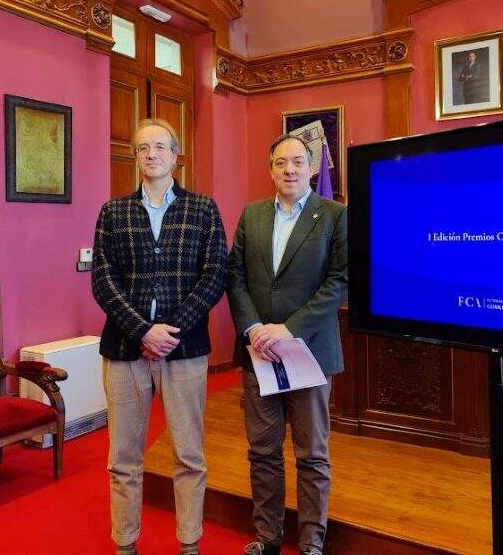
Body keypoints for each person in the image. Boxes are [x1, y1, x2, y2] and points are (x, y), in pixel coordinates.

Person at [92, 118, 227, 555]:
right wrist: (143, 330)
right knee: (124, 459)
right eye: (142, 148)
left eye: (159, 147)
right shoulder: (113, 212)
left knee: (189, 454)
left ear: (175, 155)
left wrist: (171, 330)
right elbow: (103, 279)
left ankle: (189, 542)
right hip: (124, 350)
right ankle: (125, 543)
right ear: (135, 158)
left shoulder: (203, 209)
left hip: (184, 350)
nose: (150, 154)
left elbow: (214, 276)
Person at [227, 134, 348, 555]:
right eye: (281, 163)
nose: (289, 170)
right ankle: (267, 537)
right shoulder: (252, 214)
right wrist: (254, 329)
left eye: (298, 162)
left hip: (310, 351)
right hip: (258, 352)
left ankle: (312, 543)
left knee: (312, 454)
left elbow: (340, 281)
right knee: (262, 452)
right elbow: (235, 276)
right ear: (270, 168)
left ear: (311, 167)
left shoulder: (333, 215)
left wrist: (289, 328)